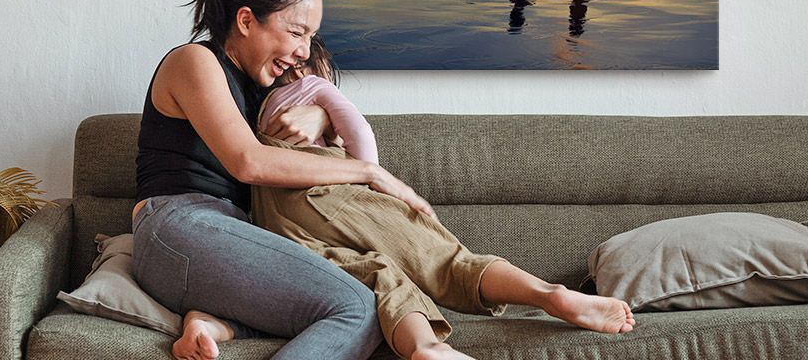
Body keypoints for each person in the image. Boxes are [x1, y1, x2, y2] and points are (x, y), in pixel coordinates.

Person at [239, 38, 635, 360]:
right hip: (328, 194)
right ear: (308, 68)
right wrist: (371, 180)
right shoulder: (314, 86)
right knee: (448, 261)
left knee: (377, 273)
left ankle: (425, 346)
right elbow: (361, 132)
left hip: (277, 219)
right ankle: (551, 295)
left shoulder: (253, 114)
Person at [132, 0, 435, 360]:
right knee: (356, 307)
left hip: (235, 234)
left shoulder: (264, 89)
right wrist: (369, 172)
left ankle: (207, 323)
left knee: (364, 295)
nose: (305, 51)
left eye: (310, 37)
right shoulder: (194, 62)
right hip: (177, 225)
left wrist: (322, 114)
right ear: (245, 20)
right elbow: (249, 161)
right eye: (296, 33)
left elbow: (314, 140)